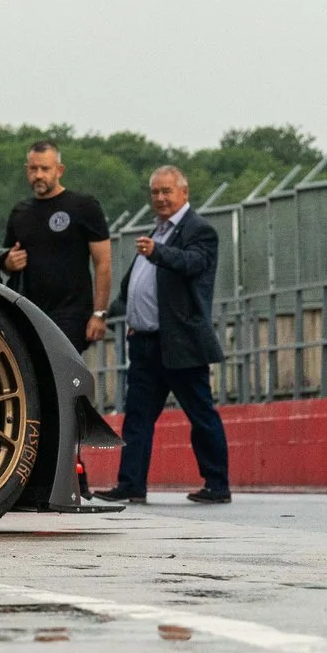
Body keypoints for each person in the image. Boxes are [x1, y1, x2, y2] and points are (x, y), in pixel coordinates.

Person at [96, 166, 231, 505]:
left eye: (167, 191)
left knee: (201, 414)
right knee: (137, 419)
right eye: (155, 192)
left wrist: (158, 254)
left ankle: (217, 484)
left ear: (184, 193)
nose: (160, 198)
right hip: (144, 344)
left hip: (182, 343)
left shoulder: (199, 231)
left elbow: (193, 264)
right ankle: (131, 484)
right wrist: (104, 313)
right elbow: (131, 288)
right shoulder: (154, 233)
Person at [2, 139, 112, 346]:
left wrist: (99, 313)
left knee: (58, 371)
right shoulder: (20, 212)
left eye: (45, 168)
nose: (39, 175)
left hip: (72, 313)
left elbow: (103, 263)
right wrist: (8, 263)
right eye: (33, 169)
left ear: (59, 170)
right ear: (27, 170)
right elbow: (7, 260)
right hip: (31, 311)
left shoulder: (83, 206)